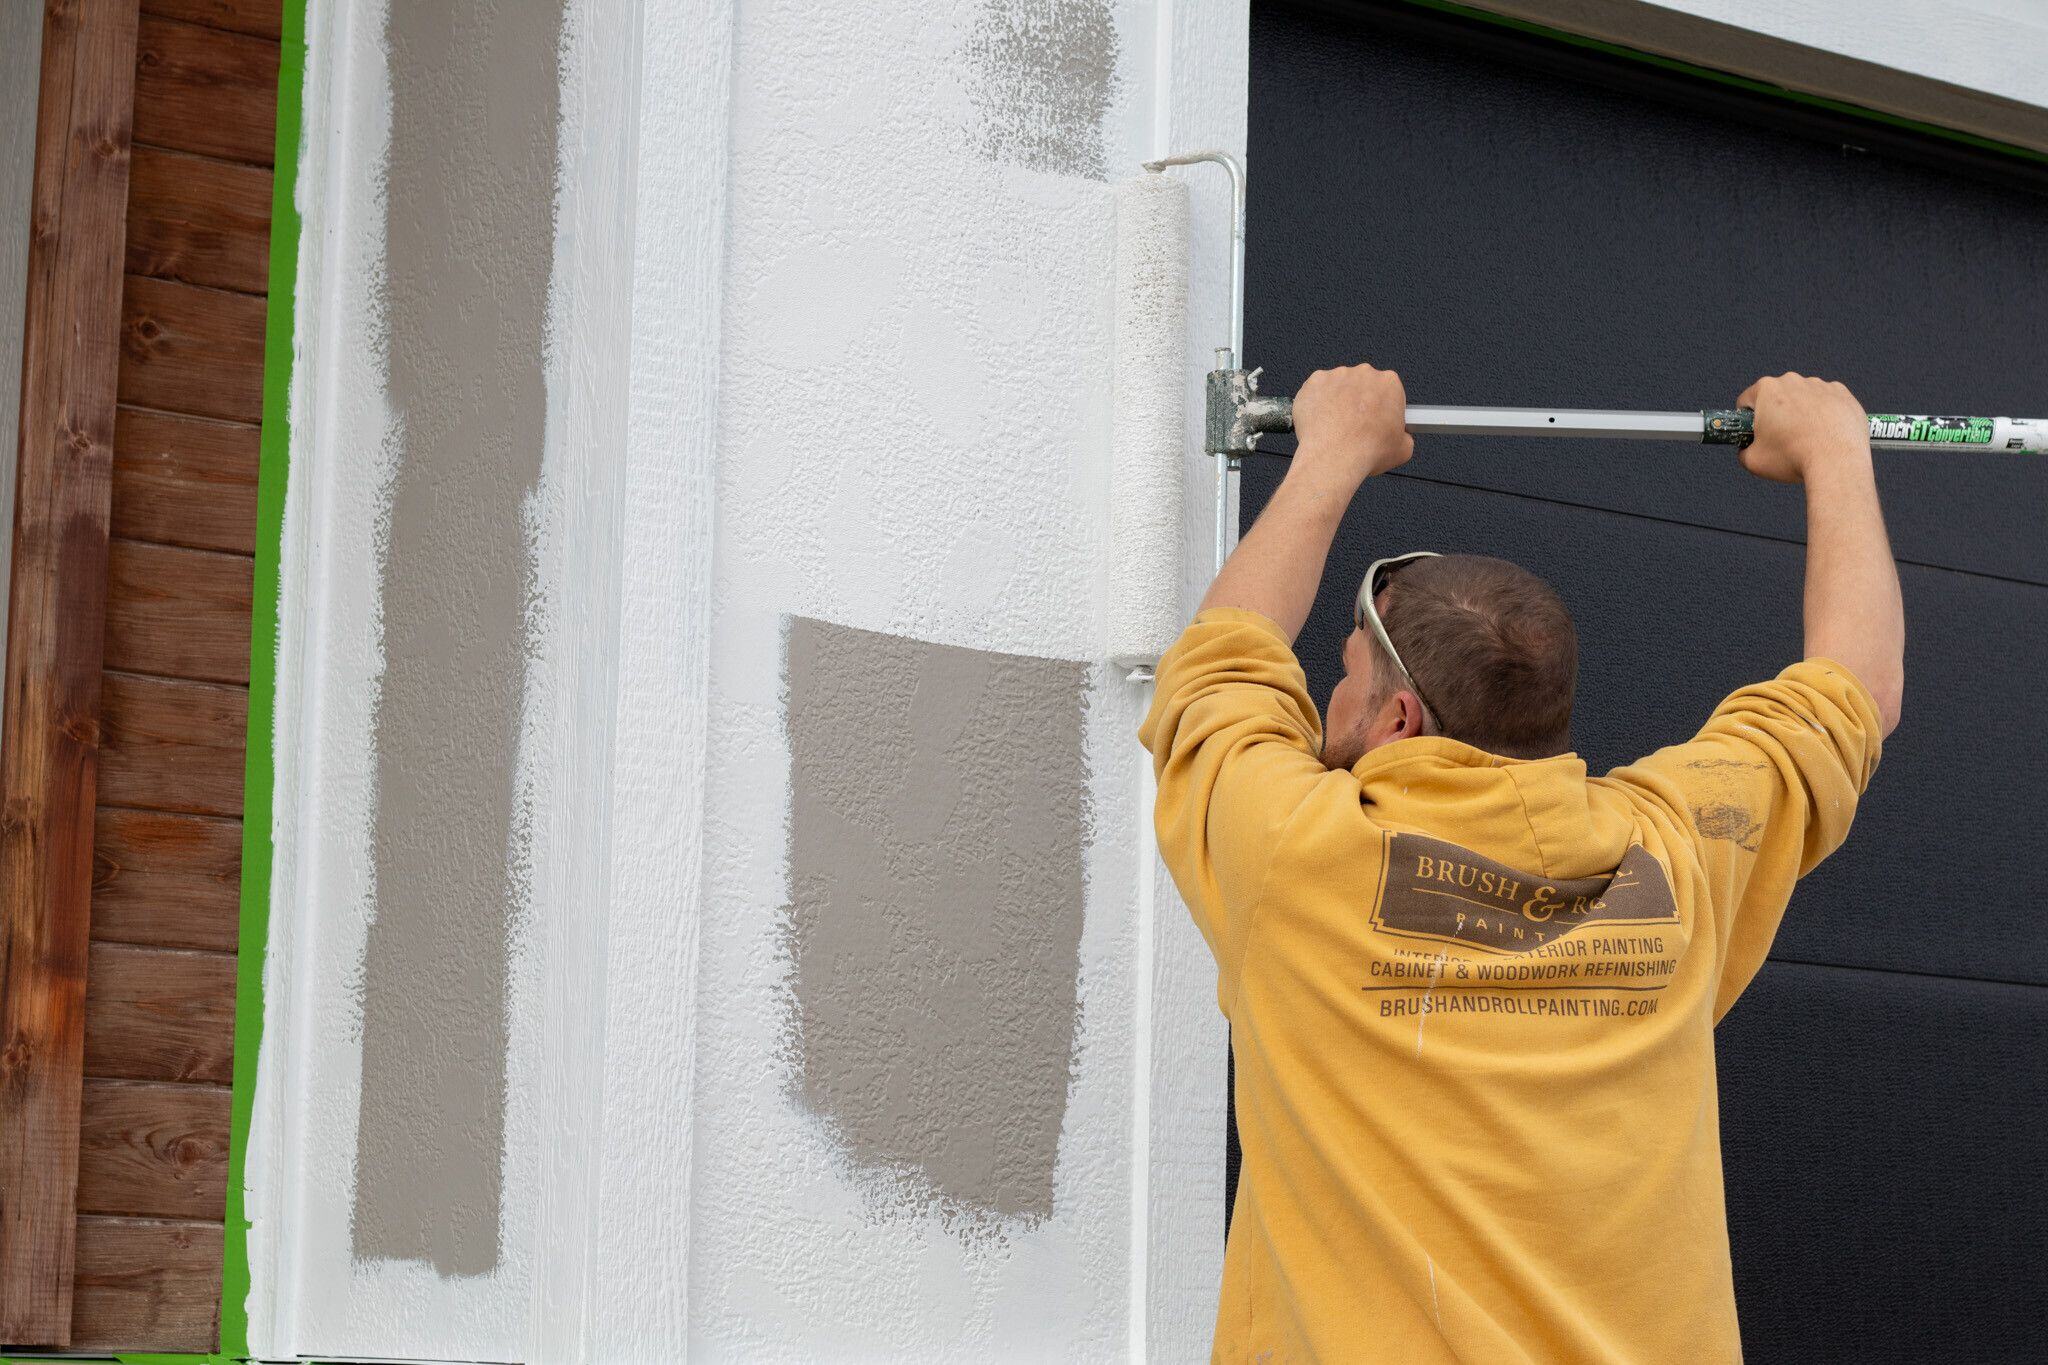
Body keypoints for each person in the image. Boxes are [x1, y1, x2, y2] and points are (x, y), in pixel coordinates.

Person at [1138, 363, 1903, 1363]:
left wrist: (1332, 449)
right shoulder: (1674, 855)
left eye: (1342, 678)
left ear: (1397, 720)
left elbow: (1224, 661)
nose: (1324, 696)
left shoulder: (1295, 851)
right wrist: (1833, 450)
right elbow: (1854, 690)